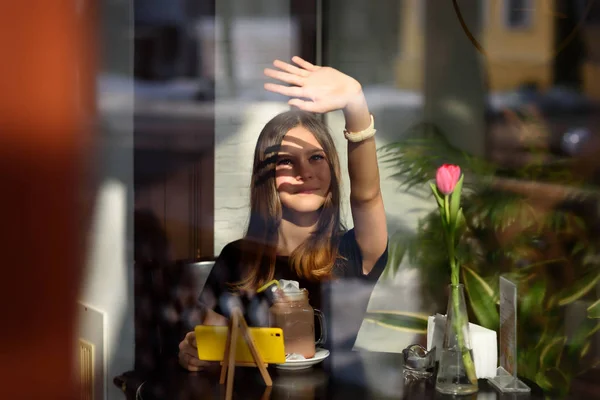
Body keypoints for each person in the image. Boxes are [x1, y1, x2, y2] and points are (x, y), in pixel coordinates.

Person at [178, 56, 388, 371]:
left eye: (316, 157)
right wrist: (196, 354)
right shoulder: (237, 257)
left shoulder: (354, 251)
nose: (305, 172)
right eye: (287, 161)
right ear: (268, 179)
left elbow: (367, 196)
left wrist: (355, 104)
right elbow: (214, 353)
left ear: (332, 171)